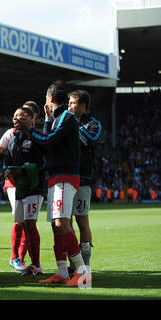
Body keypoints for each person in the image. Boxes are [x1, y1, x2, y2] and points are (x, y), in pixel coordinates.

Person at [17, 80, 90, 287]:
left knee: (61, 223)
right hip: (55, 177)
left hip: (66, 176)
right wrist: (46, 121)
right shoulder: (57, 118)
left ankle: (82, 271)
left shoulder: (67, 118)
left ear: (49, 97)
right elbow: (45, 145)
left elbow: (48, 142)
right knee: (55, 226)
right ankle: (62, 273)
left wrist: (30, 129)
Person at [4, 106, 46, 278]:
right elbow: (7, 161)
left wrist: (24, 170)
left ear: (30, 119)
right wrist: (7, 170)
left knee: (30, 224)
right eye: (14, 116)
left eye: (20, 116)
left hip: (34, 188)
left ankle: (36, 264)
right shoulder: (14, 140)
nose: (16, 119)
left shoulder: (38, 139)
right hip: (20, 188)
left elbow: (44, 163)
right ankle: (27, 262)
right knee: (23, 224)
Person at [67, 89, 102, 276]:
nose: (69, 106)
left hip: (82, 179)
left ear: (82, 106)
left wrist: (75, 125)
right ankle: (73, 263)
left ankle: (86, 265)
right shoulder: (66, 121)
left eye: (73, 103)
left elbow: (93, 139)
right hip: (66, 176)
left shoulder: (93, 124)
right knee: (66, 223)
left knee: (82, 221)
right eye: (69, 103)